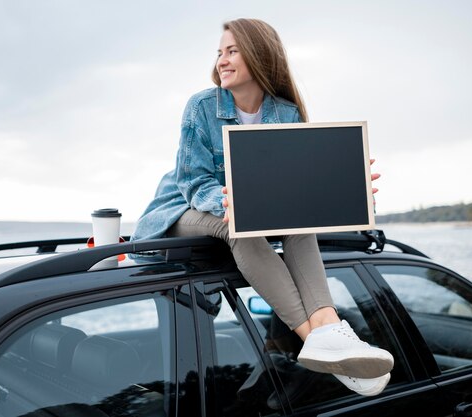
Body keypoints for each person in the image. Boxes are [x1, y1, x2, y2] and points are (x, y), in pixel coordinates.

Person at [131, 18, 392, 396]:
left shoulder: (286, 113)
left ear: (259, 55)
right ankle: (317, 340)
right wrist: (234, 202)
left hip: (244, 210)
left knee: (301, 224)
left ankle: (328, 327)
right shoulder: (201, 106)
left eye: (232, 51)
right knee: (239, 225)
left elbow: (297, 186)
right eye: (220, 52)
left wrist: (343, 185)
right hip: (182, 208)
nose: (222, 60)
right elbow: (192, 182)